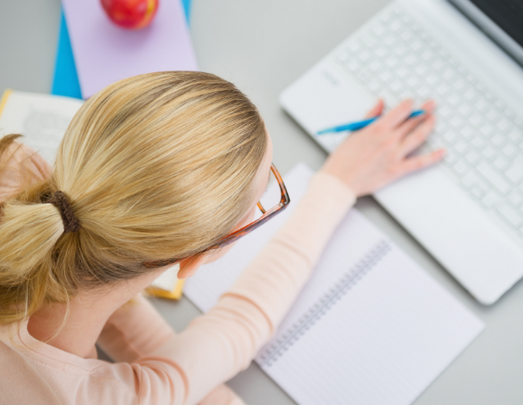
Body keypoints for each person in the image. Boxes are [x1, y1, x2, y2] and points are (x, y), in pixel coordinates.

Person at [0, 71, 442, 405]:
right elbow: (239, 325)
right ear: (197, 259)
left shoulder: (12, 164)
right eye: (265, 194)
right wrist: (337, 184)